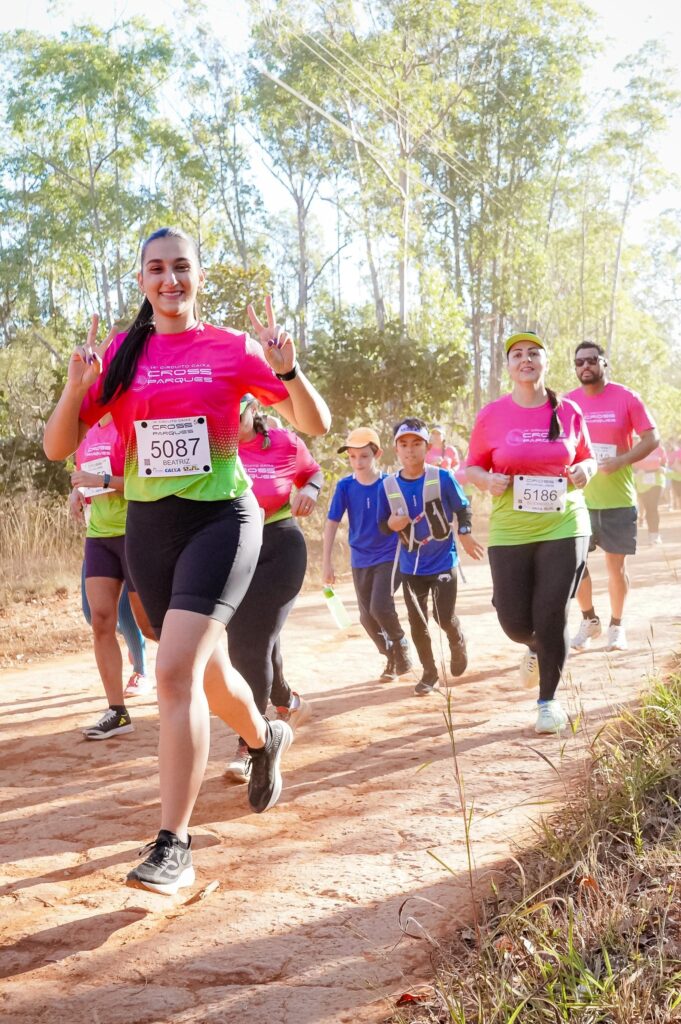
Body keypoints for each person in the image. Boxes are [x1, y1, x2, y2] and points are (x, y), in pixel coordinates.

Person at [43, 226, 330, 894]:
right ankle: (264, 738)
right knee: (209, 672)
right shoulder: (122, 352)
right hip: (149, 527)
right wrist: (75, 386)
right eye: (156, 269)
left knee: (174, 672)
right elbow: (60, 447)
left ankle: (174, 844)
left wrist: (288, 368)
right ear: (141, 280)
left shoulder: (232, 347)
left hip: (221, 519)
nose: (169, 280)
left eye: (180, 267)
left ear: (198, 276)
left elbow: (313, 423)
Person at [466, 332, 595, 734]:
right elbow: (472, 467)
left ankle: (548, 703)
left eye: (533, 353)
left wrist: (584, 470)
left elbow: (588, 459)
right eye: (517, 354)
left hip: (565, 522)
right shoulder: (492, 415)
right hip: (511, 527)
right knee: (514, 621)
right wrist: (487, 480)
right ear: (508, 366)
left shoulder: (569, 411)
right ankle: (535, 646)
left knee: (551, 611)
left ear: (545, 362)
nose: (526, 359)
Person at [225, 395, 322, 783]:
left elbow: (313, 472)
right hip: (232, 550)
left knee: (251, 645)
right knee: (252, 640)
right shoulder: (210, 447)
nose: (229, 419)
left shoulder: (283, 442)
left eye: (236, 412)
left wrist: (310, 490)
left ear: (253, 409)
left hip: (279, 547)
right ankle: (287, 702)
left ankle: (251, 744)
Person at [377, 417, 483, 695]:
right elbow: (381, 524)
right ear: (396, 449)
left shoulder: (442, 477)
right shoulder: (388, 485)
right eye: (404, 444)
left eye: (416, 444)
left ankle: (457, 640)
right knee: (418, 622)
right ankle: (429, 672)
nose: (410, 450)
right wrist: (392, 524)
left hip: (443, 560)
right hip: (411, 565)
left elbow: (463, 508)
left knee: (443, 617)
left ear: (427, 447)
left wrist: (465, 531)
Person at [566, 341, 659, 651]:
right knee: (575, 565)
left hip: (618, 499)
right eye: (579, 362)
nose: (585, 366)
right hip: (578, 500)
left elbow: (652, 437)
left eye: (592, 360)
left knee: (615, 567)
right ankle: (589, 619)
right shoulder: (568, 403)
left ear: (603, 363)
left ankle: (617, 626)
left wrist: (622, 460)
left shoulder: (626, 397)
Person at [69, 415, 154, 739]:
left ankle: (204, 680)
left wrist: (101, 479)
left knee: (151, 625)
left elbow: (148, 482)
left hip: (136, 533)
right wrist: (77, 493)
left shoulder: (130, 425)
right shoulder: (87, 434)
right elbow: (83, 479)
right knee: (101, 621)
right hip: (99, 536)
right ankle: (117, 712)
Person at [322, 427, 412, 682]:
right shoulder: (345, 486)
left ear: (377, 454)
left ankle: (400, 642)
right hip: (359, 558)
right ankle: (391, 657)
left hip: (389, 554)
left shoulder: (389, 484)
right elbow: (332, 523)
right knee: (366, 618)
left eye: (364, 456)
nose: (358, 462)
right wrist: (326, 563)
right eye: (352, 457)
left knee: (379, 607)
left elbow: (404, 516)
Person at [634, 442, 666, 544]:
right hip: (642, 481)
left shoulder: (659, 448)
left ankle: (655, 535)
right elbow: (631, 466)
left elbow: (664, 463)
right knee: (648, 508)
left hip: (657, 480)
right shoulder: (637, 448)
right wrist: (636, 472)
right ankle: (651, 534)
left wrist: (663, 468)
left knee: (653, 507)